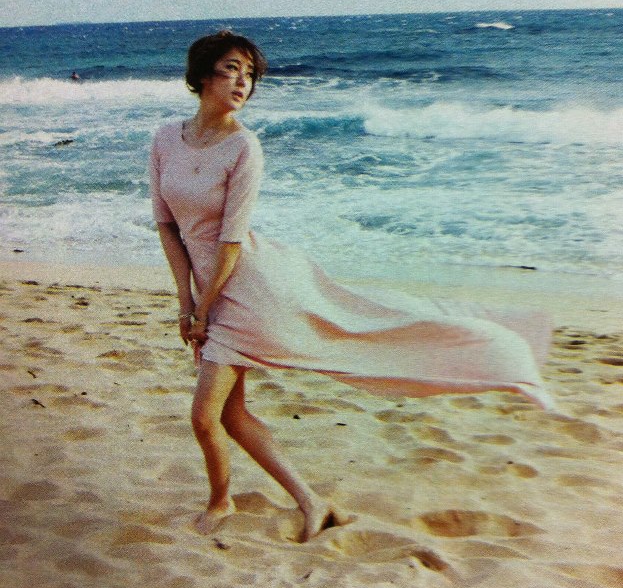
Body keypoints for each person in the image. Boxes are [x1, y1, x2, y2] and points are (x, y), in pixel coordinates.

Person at [150, 30, 553, 541]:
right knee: (229, 415)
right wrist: (184, 302)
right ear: (202, 74)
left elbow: (230, 240)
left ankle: (221, 501)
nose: (243, 83)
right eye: (232, 69)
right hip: (210, 294)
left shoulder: (244, 147)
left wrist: (204, 309)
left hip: (246, 291)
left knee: (208, 415)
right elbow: (167, 225)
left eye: (250, 75)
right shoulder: (166, 138)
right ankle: (310, 501)